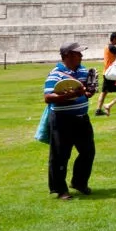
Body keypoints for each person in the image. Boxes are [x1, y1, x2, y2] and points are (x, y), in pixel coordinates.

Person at [43, 42, 96, 199]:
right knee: (60, 155)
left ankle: (79, 182)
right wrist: (71, 95)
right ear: (67, 56)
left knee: (88, 152)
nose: (81, 56)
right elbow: (48, 97)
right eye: (77, 53)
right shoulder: (55, 74)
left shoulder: (83, 70)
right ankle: (60, 189)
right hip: (62, 120)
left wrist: (88, 92)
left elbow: (85, 92)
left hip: (81, 118)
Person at [94, 31, 116, 116]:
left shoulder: (107, 47)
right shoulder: (112, 47)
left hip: (107, 72)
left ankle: (98, 109)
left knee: (104, 92)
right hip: (111, 72)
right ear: (115, 39)